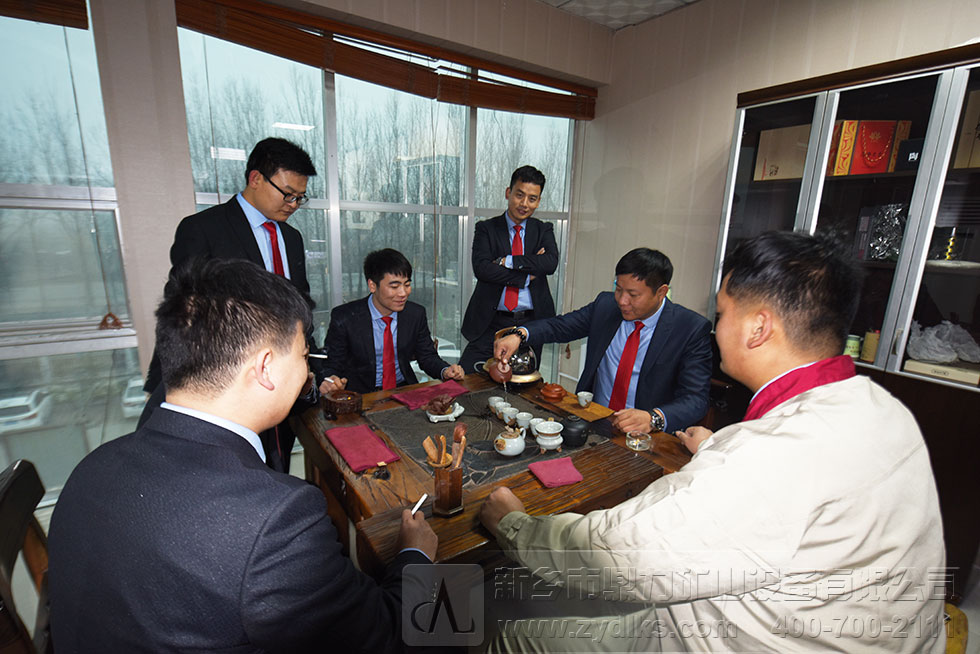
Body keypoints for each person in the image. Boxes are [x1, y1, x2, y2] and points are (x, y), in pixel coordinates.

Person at [479, 231, 946, 653]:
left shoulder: (763, 458)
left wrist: (514, 526)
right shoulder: (884, 408)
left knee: (515, 637)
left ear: (758, 328)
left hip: (744, 637)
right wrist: (719, 449)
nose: (716, 327)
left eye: (722, 314)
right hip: (850, 627)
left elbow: (618, 552)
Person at [49, 259, 437, 653]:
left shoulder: (92, 467)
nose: (307, 372)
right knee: (451, 616)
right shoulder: (276, 521)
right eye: (304, 356)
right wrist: (416, 554)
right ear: (265, 367)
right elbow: (389, 638)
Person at [141, 137, 319, 471]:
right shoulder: (203, 229)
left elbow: (300, 307)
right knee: (227, 468)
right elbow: (181, 310)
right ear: (256, 179)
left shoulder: (291, 239)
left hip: (281, 377)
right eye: (287, 194)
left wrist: (310, 365)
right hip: (225, 384)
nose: (294, 204)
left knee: (276, 463)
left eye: (300, 197)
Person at [494, 247, 712, 433]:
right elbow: (560, 326)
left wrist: (653, 418)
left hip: (645, 435)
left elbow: (696, 399)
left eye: (633, 295)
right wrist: (519, 334)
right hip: (594, 420)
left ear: (661, 292)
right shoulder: (606, 306)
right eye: (618, 289)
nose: (622, 301)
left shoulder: (689, 328)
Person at [319, 248, 464, 395]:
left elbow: (427, 356)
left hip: (403, 389)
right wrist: (331, 381)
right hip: (361, 395)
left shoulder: (415, 314)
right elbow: (332, 364)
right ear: (372, 285)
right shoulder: (345, 318)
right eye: (394, 286)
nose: (403, 293)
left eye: (407, 285)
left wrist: (445, 371)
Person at [458, 165, 558, 374]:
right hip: (491, 321)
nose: (524, 204)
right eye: (519, 195)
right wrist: (525, 276)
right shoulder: (486, 228)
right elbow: (482, 269)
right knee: (467, 379)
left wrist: (508, 261)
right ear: (508, 193)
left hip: (531, 323)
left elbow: (550, 263)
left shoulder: (543, 229)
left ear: (538, 201)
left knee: (524, 384)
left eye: (532, 198)